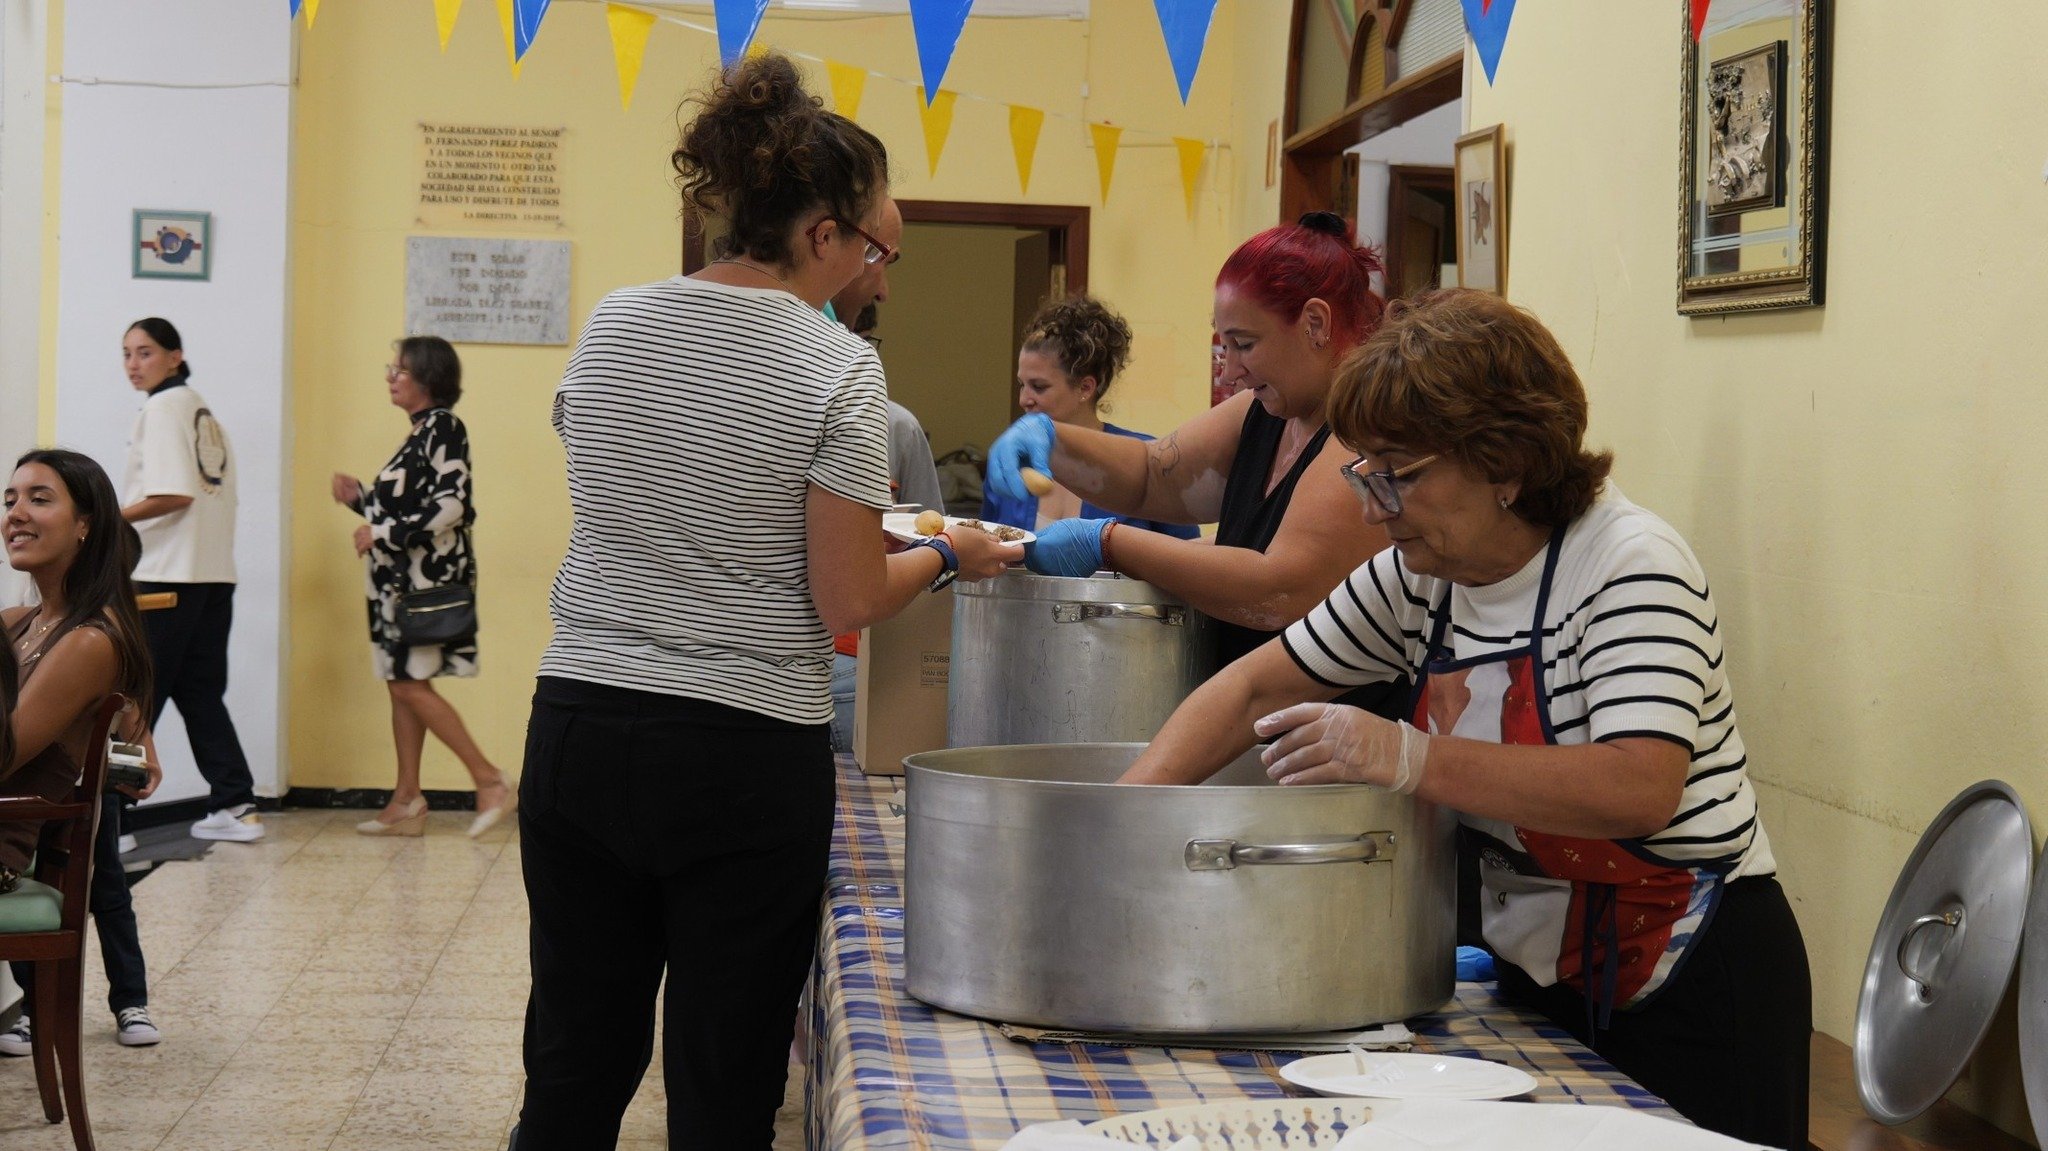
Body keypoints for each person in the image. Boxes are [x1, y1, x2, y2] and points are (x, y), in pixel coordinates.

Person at [1119, 290, 1810, 1150]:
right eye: (1365, 472)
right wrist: (1115, 830)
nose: (1374, 506)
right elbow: (1250, 691)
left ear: (1506, 463)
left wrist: (1407, 755)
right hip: (1544, 976)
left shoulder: (1629, 566)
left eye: (1400, 475)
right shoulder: (1420, 576)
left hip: (1694, 982)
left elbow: (1639, 785)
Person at [512, 53, 1019, 1149]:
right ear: (822, 234)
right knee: (723, 1083)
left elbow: (627, 486)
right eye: (876, 249)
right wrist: (947, 554)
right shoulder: (835, 367)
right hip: (737, 752)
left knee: (571, 1065)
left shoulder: (615, 319)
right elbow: (847, 592)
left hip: (581, 721)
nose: (879, 276)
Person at [984, 213, 1401, 714]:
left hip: (1335, 733)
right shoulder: (1266, 412)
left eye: (1244, 344)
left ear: (1315, 323)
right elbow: (1152, 475)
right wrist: (1053, 441)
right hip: (1257, 726)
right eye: (1224, 344)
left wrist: (1106, 543)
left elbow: (1278, 588)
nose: (1229, 370)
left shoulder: (1366, 431)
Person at [1, 451, 164, 1050]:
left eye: (39, 499)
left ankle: (130, 1002)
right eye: (10, 500)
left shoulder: (89, 640)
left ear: (85, 525)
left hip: (9, 846)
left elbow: (5, 756)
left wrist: (141, 745)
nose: (16, 512)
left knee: (109, 888)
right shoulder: (18, 624)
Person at [330, 336, 513, 838]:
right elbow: (407, 508)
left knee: (409, 684)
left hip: (421, 588)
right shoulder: (420, 433)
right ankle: (407, 798)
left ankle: (489, 780)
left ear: (429, 378)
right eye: (390, 368)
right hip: (397, 588)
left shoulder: (444, 427)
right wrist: (360, 499)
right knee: (403, 685)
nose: (391, 377)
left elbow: (451, 505)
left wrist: (380, 532)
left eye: (401, 370)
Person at [119, 317, 262, 843]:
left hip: (165, 578)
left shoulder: (162, 408)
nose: (133, 364)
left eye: (145, 352)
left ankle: (112, 821)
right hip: (213, 576)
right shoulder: (202, 410)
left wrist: (104, 519)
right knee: (199, 692)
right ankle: (235, 803)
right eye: (127, 353)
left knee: (134, 697)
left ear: (175, 356)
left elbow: (173, 494)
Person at [980, 295, 1199, 542]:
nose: (1024, 399)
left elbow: (1190, 553)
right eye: (1022, 385)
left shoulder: (1144, 461)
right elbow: (985, 548)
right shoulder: (1011, 461)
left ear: (1085, 388)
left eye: (1039, 387)